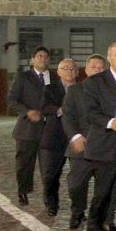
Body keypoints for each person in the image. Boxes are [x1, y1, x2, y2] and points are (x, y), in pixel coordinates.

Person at [80, 42, 116, 231]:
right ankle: (95, 229)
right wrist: (112, 123)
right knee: (103, 191)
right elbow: (90, 113)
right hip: (106, 142)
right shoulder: (95, 82)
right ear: (109, 58)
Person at [62, 54, 110, 230]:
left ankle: (103, 220)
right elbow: (67, 116)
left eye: (101, 68)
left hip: (106, 146)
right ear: (86, 70)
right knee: (76, 184)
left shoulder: (113, 91)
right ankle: (78, 211)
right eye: (94, 67)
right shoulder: (75, 91)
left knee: (107, 187)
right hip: (82, 145)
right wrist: (75, 136)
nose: (98, 70)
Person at [9, 45, 52, 206]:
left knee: (49, 166)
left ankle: (50, 199)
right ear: (32, 60)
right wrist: (27, 112)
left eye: (46, 56)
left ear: (49, 60)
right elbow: (12, 100)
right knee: (24, 164)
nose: (43, 59)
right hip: (27, 129)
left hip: (49, 129)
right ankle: (23, 191)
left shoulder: (54, 77)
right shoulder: (23, 77)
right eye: (39, 56)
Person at [38, 58, 77, 216]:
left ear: (77, 72)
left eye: (72, 68)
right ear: (58, 72)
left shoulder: (83, 89)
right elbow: (44, 107)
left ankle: (78, 210)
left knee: (78, 178)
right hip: (54, 137)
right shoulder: (49, 89)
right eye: (65, 68)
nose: (69, 71)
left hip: (76, 138)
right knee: (50, 176)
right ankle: (51, 204)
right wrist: (61, 110)